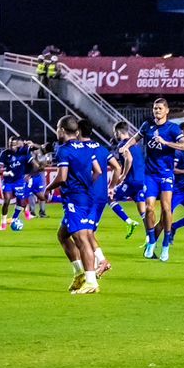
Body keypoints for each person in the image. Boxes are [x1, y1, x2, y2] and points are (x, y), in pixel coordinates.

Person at [51, 115, 118, 295]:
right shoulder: (90, 148)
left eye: (57, 129)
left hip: (76, 199)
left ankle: (91, 282)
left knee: (82, 238)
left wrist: (47, 189)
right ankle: (80, 273)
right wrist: (89, 185)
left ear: (62, 130)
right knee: (63, 235)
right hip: (87, 197)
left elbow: (62, 177)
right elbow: (98, 170)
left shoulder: (64, 150)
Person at [136, 97, 184, 261]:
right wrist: (125, 146)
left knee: (166, 209)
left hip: (166, 174)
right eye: (155, 108)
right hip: (150, 174)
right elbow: (136, 138)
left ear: (167, 110)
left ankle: (166, 243)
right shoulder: (147, 126)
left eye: (160, 108)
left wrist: (166, 143)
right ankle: (152, 240)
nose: (157, 111)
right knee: (149, 208)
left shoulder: (172, 128)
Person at [107, 122, 145, 238]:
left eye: (115, 133)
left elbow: (129, 159)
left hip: (131, 181)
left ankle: (129, 221)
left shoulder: (123, 145)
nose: (115, 135)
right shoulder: (137, 145)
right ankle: (150, 239)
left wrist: (123, 175)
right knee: (143, 212)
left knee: (109, 197)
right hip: (141, 181)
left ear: (118, 132)